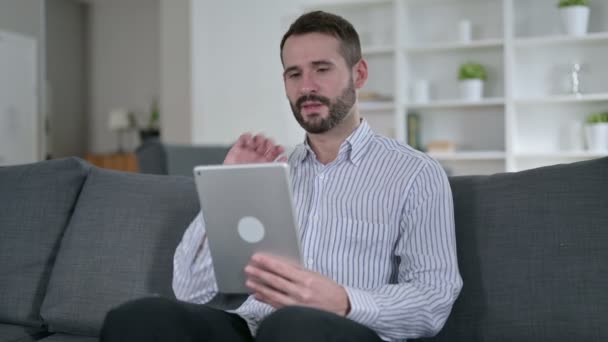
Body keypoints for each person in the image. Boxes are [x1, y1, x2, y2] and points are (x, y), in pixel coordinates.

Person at [100, 10, 462, 342]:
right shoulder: (272, 170)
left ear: (359, 73)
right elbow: (189, 290)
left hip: (346, 329)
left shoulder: (416, 173)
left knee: (293, 325)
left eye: (322, 69)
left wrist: (344, 300)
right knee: (138, 317)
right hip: (251, 326)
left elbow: (433, 298)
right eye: (294, 74)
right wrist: (231, 188)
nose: (306, 87)